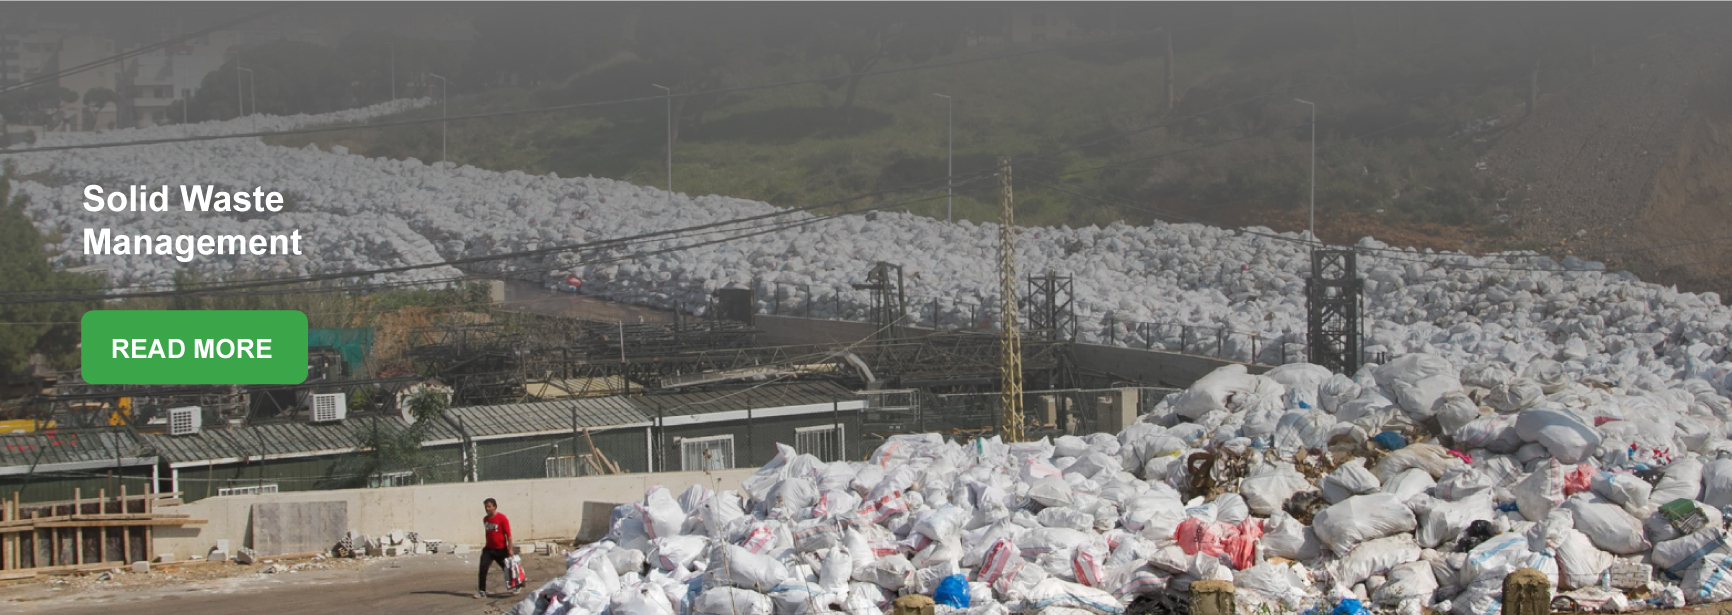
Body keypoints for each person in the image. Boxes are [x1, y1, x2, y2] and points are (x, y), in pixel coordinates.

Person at [477, 498, 515, 598]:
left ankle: (516, 585)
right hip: (489, 549)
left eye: (489, 506)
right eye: (486, 507)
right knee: (483, 568)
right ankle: (482, 591)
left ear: (494, 507)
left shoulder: (502, 518)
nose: (487, 508)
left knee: (507, 569)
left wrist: (510, 549)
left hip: (501, 550)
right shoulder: (485, 519)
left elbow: (509, 535)